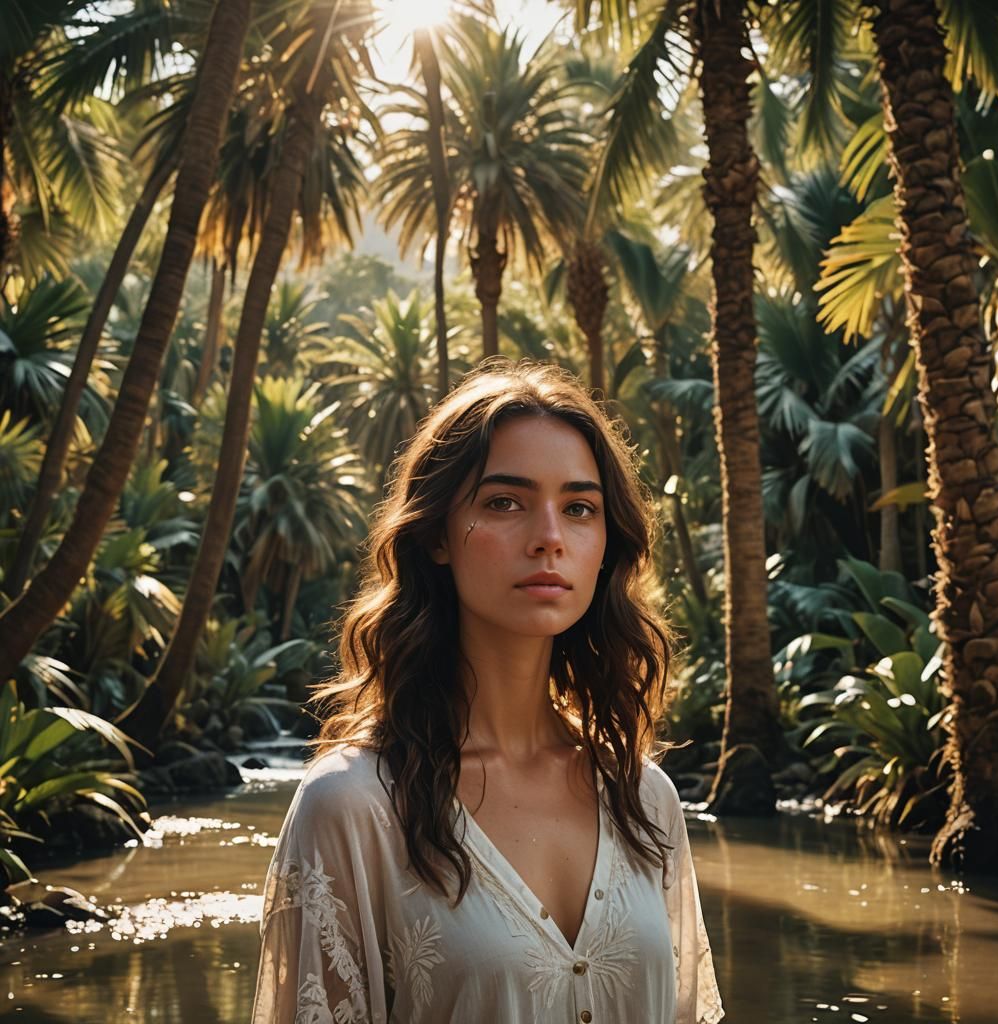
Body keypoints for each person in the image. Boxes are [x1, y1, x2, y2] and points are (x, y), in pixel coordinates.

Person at [250, 360, 724, 1024]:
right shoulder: (353, 808)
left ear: (604, 543)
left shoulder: (643, 798)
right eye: (505, 502)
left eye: (580, 508)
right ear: (439, 535)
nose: (550, 539)